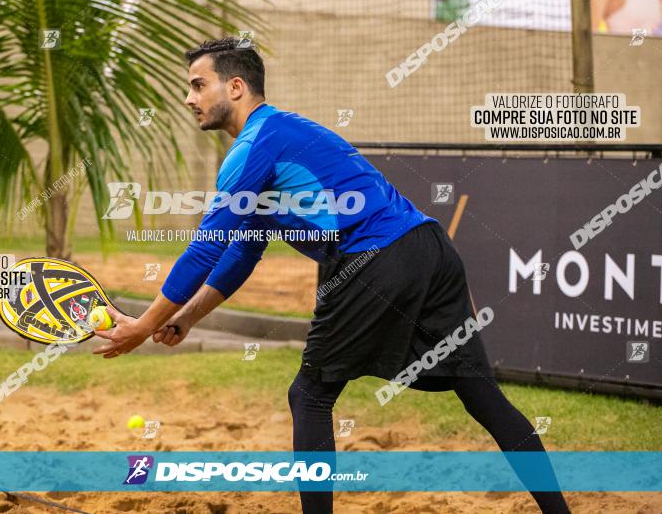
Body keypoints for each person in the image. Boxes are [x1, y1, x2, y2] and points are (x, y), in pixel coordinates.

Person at [94, 37, 570, 513]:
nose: (188, 98)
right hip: (430, 250)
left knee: (310, 395)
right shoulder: (282, 133)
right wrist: (190, 315)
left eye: (198, 85)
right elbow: (240, 251)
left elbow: (205, 250)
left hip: (374, 257)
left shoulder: (252, 147)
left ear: (235, 87)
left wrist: (144, 324)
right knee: (480, 393)